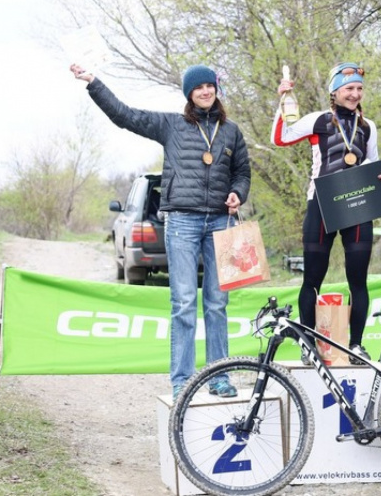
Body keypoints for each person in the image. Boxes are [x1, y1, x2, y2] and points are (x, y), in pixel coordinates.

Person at [70, 64, 251, 399]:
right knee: (183, 302)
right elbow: (125, 115)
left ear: (216, 90)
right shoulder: (171, 125)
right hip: (182, 221)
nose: (205, 92)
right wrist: (94, 83)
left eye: (210, 86)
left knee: (217, 303)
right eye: (198, 88)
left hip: (221, 223)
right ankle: (182, 381)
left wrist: (238, 193)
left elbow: (242, 172)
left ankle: (219, 378)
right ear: (189, 93)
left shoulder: (232, 132)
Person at [270, 62, 381, 364]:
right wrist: (281, 101)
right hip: (322, 206)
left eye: (359, 89)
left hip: (358, 205)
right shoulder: (318, 120)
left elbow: (370, 165)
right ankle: (308, 344)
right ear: (334, 91)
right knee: (312, 279)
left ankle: (356, 346)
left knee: (358, 280)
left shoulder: (368, 126)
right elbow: (281, 138)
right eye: (349, 88)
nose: (354, 94)